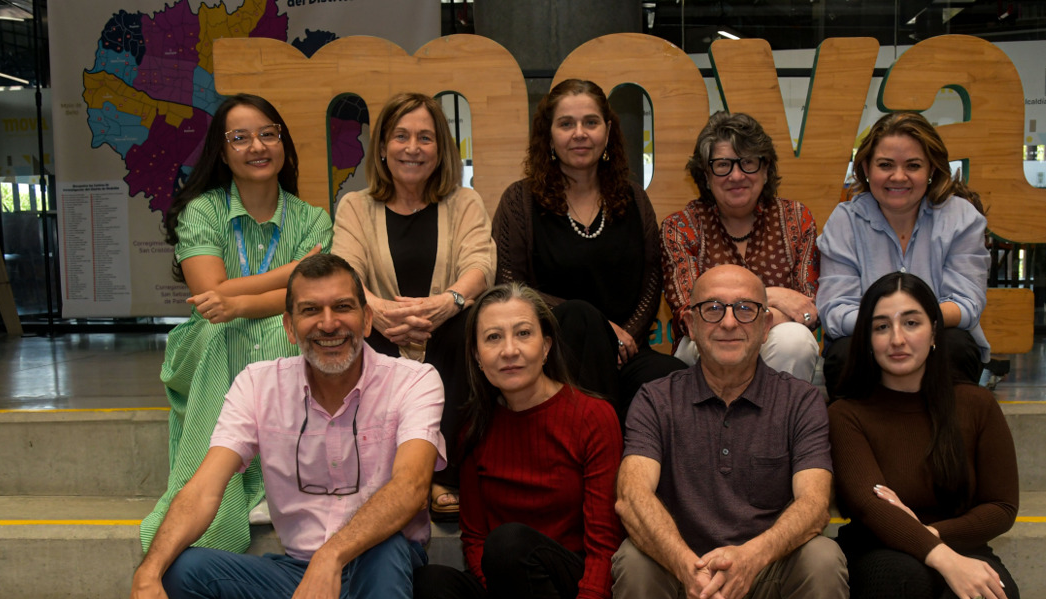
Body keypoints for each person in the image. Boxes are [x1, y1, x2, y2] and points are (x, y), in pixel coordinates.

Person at [127, 254, 444, 599]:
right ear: (290, 327)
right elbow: (204, 489)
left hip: (384, 587)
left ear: (367, 319)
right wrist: (148, 572)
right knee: (183, 571)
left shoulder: (414, 380)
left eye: (343, 307)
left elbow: (411, 487)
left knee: (387, 546)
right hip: (294, 585)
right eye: (311, 310)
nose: (329, 323)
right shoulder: (258, 385)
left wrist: (330, 557)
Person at [612, 264, 849, 599]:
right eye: (712, 309)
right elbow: (632, 497)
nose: (727, 322)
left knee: (823, 560)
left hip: (764, 592)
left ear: (766, 324)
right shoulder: (655, 399)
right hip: (681, 592)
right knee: (633, 562)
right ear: (689, 324)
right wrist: (685, 566)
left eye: (745, 309)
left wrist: (751, 559)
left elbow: (815, 504)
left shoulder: (801, 401)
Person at [410, 283, 623, 599]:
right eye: (493, 338)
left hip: (576, 594)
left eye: (523, 333)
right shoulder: (475, 427)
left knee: (509, 543)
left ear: (546, 346)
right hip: (509, 588)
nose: (510, 350)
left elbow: (605, 549)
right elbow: (474, 539)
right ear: (477, 356)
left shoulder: (592, 417)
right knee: (427, 585)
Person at [828, 272, 1028, 599]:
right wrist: (944, 559)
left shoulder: (976, 405)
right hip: (876, 555)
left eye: (911, 322)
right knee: (909, 583)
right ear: (867, 340)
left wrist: (930, 535)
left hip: (966, 551)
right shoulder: (846, 413)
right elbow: (870, 506)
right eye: (881, 326)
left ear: (935, 332)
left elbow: (1001, 507)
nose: (897, 339)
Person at [141, 93, 332, 554]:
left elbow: (303, 301)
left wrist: (240, 299)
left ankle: (273, 484)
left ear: (283, 143)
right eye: (240, 138)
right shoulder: (202, 211)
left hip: (271, 325)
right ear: (222, 153)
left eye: (268, 134)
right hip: (209, 339)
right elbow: (209, 296)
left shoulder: (313, 220)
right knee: (222, 333)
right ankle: (214, 502)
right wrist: (292, 272)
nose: (257, 146)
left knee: (293, 331)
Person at [332, 91, 495, 521]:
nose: (412, 148)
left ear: (440, 150)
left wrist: (447, 302)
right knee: (353, 327)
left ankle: (445, 477)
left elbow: (480, 265)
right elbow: (346, 271)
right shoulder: (355, 206)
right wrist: (378, 311)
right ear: (383, 147)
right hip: (382, 332)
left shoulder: (465, 202)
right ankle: (390, 477)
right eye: (401, 136)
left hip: (446, 330)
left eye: (425, 137)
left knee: (468, 327)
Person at [494, 78, 684, 418]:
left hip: (625, 352)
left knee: (674, 378)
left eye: (591, 122)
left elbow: (651, 280)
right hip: (551, 353)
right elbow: (511, 285)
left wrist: (623, 339)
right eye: (566, 124)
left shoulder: (635, 198)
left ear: (607, 132)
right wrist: (600, 329)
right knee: (581, 316)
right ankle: (600, 445)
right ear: (548, 135)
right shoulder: (519, 201)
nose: (579, 133)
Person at [817, 111, 991, 393]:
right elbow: (836, 312)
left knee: (957, 345)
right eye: (885, 165)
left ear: (931, 170)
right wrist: (890, 328)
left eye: (913, 165)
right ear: (866, 168)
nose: (898, 177)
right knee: (844, 352)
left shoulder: (961, 218)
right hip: (868, 344)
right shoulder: (844, 222)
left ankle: (944, 425)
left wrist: (908, 327)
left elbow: (966, 305)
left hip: (939, 341)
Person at [660, 111, 821, 384]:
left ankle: (775, 413)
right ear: (706, 175)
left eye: (748, 162)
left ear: (765, 169)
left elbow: (806, 309)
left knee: (794, 340)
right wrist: (772, 297)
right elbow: (689, 315)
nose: (736, 175)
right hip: (703, 348)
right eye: (723, 165)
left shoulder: (796, 218)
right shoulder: (681, 226)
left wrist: (725, 308)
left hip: (777, 340)